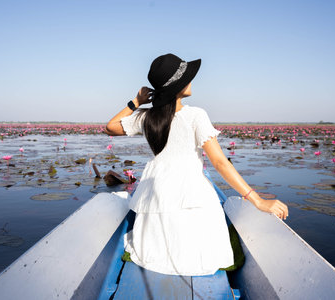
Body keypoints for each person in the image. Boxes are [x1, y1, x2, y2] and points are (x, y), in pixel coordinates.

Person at [105, 53, 289, 276]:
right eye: (186, 78)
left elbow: (110, 127)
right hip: (191, 194)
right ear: (176, 86)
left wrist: (136, 102)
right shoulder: (195, 115)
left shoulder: (146, 117)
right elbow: (220, 163)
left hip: (156, 194)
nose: (191, 80)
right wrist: (258, 201)